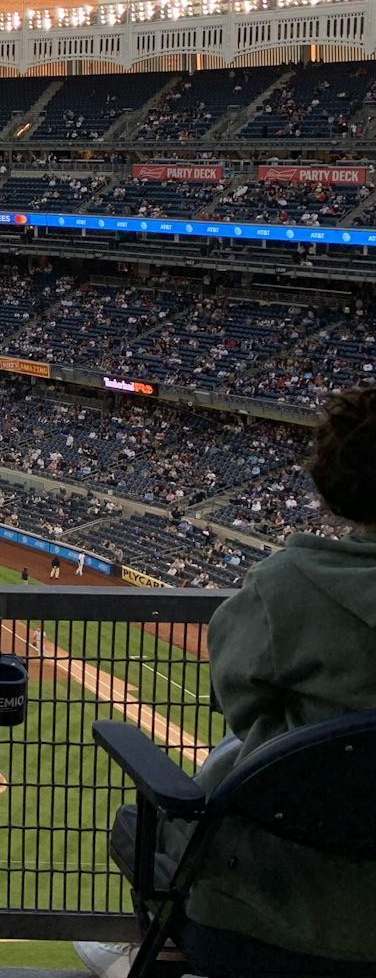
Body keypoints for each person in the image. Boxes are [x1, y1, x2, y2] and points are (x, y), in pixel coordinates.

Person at [77, 387, 376, 975]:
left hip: (255, 925)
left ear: (335, 484)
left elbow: (238, 704)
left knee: (186, 791)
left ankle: (155, 948)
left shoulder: (286, 584)